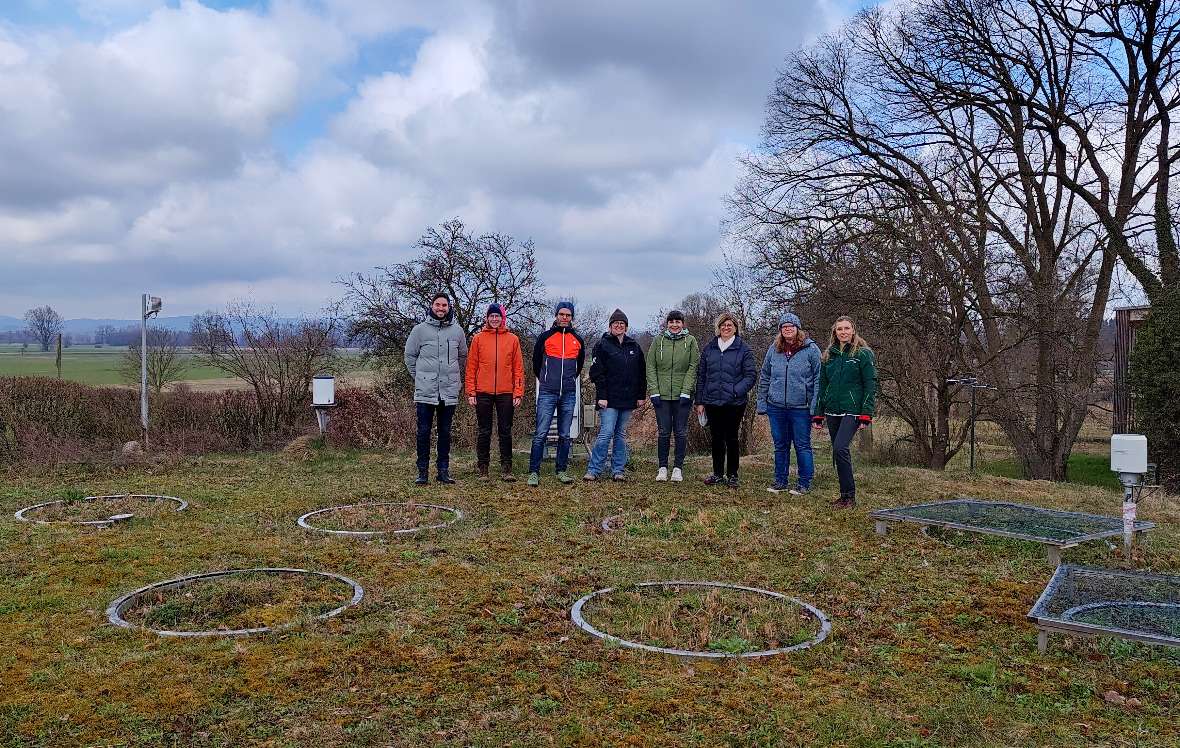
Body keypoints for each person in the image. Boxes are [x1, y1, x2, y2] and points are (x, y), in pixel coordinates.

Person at [813, 315, 878, 508]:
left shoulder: (863, 354)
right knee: (838, 451)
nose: (843, 332)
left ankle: (849, 497)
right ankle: (844, 496)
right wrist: (819, 413)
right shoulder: (828, 356)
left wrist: (866, 413)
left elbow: (870, 384)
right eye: (839, 329)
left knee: (841, 448)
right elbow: (823, 385)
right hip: (832, 410)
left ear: (853, 331)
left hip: (853, 409)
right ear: (835, 332)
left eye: (846, 328)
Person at [404, 292, 468, 485]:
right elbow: (409, 356)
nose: (441, 308)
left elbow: (463, 357)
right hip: (426, 392)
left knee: (445, 432)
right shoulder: (419, 330)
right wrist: (421, 377)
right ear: (431, 306)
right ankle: (422, 472)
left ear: (449, 308)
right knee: (423, 432)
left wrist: (456, 379)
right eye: (437, 305)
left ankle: (443, 471)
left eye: (444, 305)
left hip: (448, 392)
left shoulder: (457, 331)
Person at [756, 312, 822, 495]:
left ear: (797, 329)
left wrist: (816, 407)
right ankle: (780, 480)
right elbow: (765, 376)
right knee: (780, 445)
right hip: (776, 406)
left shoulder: (811, 349)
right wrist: (762, 402)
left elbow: (819, 378)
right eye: (784, 327)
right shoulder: (774, 349)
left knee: (802, 445)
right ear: (780, 330)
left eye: (791, 326)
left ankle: (804, 483)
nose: (788, 329)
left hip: (801, 408)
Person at [695, 312, 757, 488]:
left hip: (734, 403)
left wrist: (735, 391)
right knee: (716, 438)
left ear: (736, 328)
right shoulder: (710, 348)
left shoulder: (743, 349)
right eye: (723, 325)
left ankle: (732, 475)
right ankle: (717, 474)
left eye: (730, 325)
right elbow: (702, 376)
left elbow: (750, 375)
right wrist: (699, 401)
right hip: (712, 401)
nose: (726, 328)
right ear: (718, 327)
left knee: (731, 438)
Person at [528, 301, 586, 487]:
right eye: (561, 314)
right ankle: (534, 472)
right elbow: (536, 363)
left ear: (572, 318)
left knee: (565, 434)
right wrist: (546, 380)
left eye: (568, 315)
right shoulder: (545, 337)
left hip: (568, 393)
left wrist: (568, 381)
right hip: (547, 391)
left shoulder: (578, 339)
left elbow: (579, 365)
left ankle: (561, 470)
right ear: (556, 315)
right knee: (541, 433)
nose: (564, 318)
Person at [465, 303, 524, 481]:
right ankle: (483, 469)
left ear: (502, 318)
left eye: (497, 316)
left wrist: (518, 392)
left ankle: (507, 470)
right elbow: (471, 367)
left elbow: (518, 368)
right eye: (492, 316)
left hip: (506, 393)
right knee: (484, 431)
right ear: (487, 318)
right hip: (483, 392)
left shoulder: (513, 339)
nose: (495, 319)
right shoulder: (478, 338)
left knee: (505, 430)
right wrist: (471, 391)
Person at [585, 309, 646, 481]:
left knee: (620, 434)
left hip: (628, 399)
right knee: (606, 433)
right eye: (616, 323)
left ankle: (618, 470)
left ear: (626, 327)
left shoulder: (634, 346)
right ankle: (594, 469)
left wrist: (640, 395)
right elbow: (596, 373)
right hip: (608, 399)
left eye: (622, 324)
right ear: (610, 326)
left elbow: (641, 373)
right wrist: (602, 396)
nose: (619, 326)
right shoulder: (602, 345)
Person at [645, 309, 699, 482]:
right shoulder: (658, 341)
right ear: (667, 323)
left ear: (683, 324)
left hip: (683, 395)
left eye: (678, 322)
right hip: (661, 396)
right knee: (663, 432)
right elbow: (650, 366)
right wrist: (654, 391)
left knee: (681, 432)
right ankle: (662, 467)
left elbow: (693, 366)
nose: (674, 325)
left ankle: (677, 468)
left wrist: (686, 390)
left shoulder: (690, 341)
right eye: (671, 322)